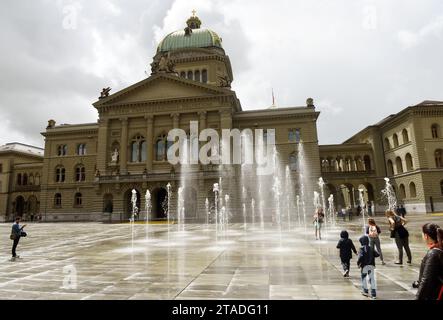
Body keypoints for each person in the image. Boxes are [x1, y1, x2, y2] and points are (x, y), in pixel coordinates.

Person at [413, 223, 443, 300]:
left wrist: (418, 298)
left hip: (434, 295)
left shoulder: (433, 253)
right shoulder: (440, 249)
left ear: (426, 236)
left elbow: (426, 280)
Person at [357, 235, 379, 299]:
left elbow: (360, 257)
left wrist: (358, 263)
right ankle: (373, 294)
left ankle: (365, 291)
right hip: (371, 266)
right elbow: (377, 254)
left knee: (363, 278)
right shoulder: (371, 248)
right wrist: (372, 256)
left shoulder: (361, 248)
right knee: (372, 279)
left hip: (364, 266)